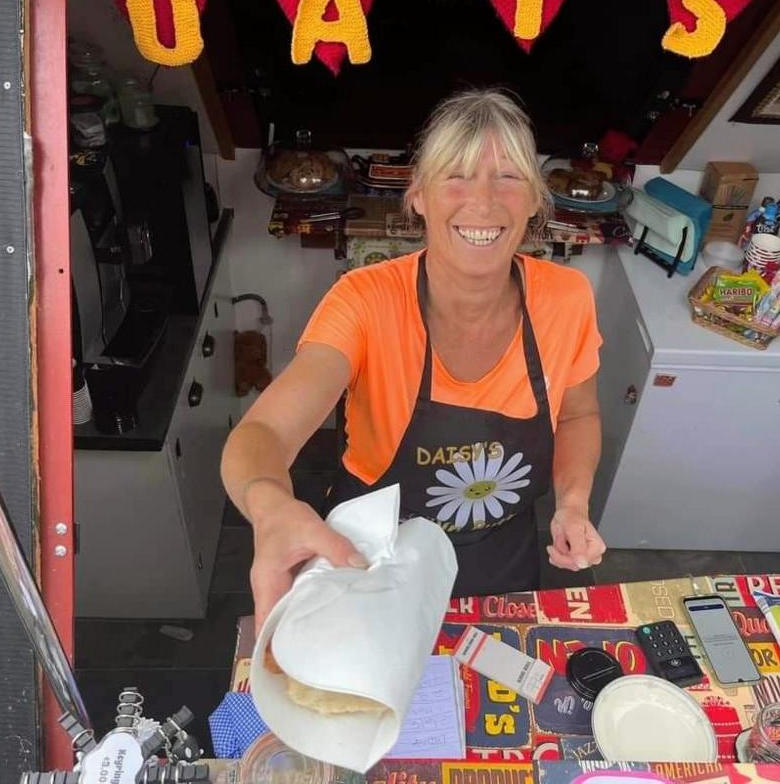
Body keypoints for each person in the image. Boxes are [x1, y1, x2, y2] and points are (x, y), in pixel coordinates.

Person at [221, 89, 606, 633]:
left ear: (534, 201)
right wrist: (271, 508)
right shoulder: (364, 301)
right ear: (418, 195)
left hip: (501, 557)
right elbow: (262, 432)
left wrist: (572, 501)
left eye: (508, 177)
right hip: (375, 555)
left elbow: (578, 415)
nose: (483, 202)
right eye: (456, 175)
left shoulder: (567, 298)